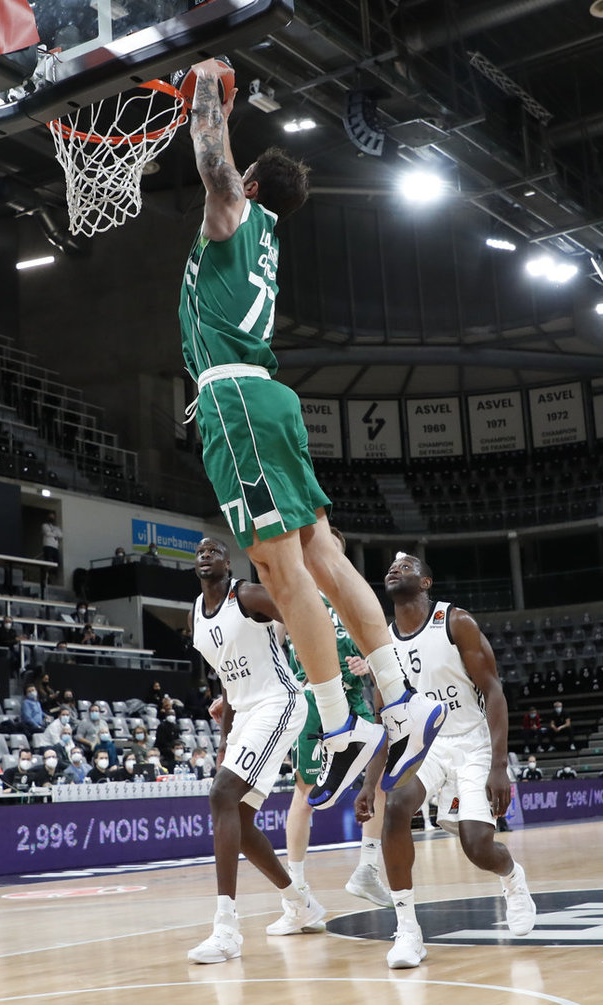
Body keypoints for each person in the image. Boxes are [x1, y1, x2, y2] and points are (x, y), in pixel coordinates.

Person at [178, 59, 446, 809]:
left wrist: (207, 86)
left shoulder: (233, 216)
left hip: (237, 403)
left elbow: (208, 149)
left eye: (240, 173)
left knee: (276, 563)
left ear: (250, 185)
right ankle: (401, 698)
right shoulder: (257, 237)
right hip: (268, 400)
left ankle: (338, 725)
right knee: (323, 552)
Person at [355, 553, 536, 969]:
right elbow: (388, 719)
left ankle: (512, 878)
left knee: (477, 847)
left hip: (471, 742)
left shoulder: (456, 622)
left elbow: (492, 691)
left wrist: (498, 765)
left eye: (407, 567)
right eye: (391, 568)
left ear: (426, 583)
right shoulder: (381, 645)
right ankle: (408, 931)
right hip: (426, 746)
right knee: (397, 806)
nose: (395, 569)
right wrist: (370, 781)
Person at [186, 537, 324, 965]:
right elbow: (227, 679)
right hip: (243, 711)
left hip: (279, 701)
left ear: (228, 563)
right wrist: (225, 739)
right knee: (240, 821)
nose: (205, 554)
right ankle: (300, 904)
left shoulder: (245, 594)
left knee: (220, 796)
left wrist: (322, 672)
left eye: (213, 550)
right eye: (199, 552)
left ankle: (226, 929)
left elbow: (303, 617)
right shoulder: (196, 611)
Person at [268, 527, 391, 935]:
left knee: (380, 777)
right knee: (304, 796)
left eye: (331, 551)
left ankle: (368, 867)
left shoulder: (351, 598)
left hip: (354, 697)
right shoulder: (292, 595)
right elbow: (271, 651)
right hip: (312, 703)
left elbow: (381, 652)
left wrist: (368, 665)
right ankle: (298, 893)